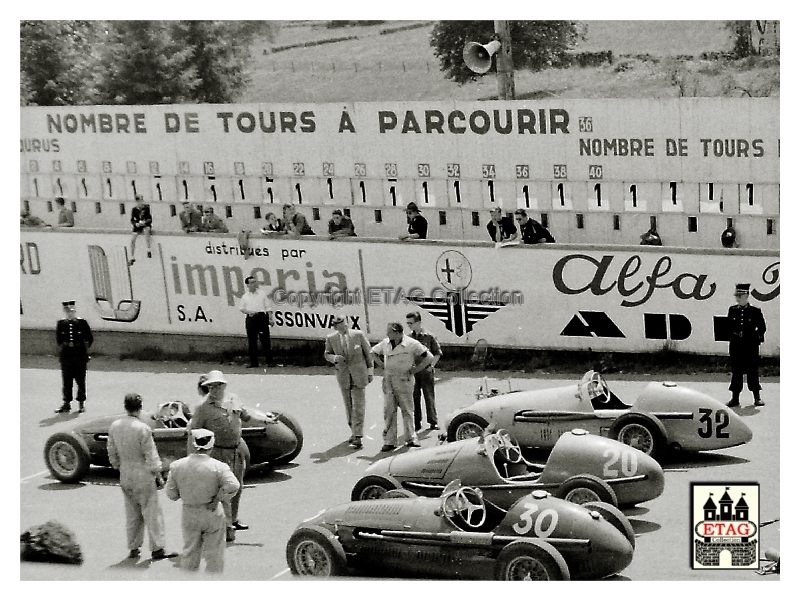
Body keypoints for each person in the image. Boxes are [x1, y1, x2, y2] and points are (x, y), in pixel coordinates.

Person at [107, 393, 177, 561]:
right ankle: (157, 548)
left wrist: (118, 465)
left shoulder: (115, 426)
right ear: (140, 407)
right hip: (143, 474)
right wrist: (158, 475)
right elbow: (151, 455)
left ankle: (133, 547)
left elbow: (111, 451)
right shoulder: (142, 429)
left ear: (125, 406)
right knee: (152, 512)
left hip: (126, 473)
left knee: (132, 513)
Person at [165, 428, 240, 573]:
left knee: (190, 552)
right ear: (211, 446)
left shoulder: (177, 466)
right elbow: (234, 485)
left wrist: (184, 494)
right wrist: (218, 497)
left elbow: (171, 494)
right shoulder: (219, 466)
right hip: (212, 510)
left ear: (194, 444)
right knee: (215, 554)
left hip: (189, 511)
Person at [186, 370, 249, 541]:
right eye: (210, 386)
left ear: (224, 386)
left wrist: (265, 418)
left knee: (237, 486)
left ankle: (233, 519)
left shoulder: (233, 399)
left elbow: (246, 415)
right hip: (217, 452)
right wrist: (192, 458)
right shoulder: (202, 408)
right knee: (223, 489)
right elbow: (193, 432)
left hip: (236, 450)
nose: (214, 389)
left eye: (217, 385)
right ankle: (226, 528)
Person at [370, 322, 434, 451]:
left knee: (407, 410)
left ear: (397, 332)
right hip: (388, 380)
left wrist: (416, 369)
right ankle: (390, 441)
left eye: (389, 331)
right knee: (389, 411)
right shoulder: (385, 343)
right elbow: (373, 352)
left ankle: (411, 438)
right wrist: (382, 365)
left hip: (404, 380)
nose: (387, 334)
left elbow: (429, 357)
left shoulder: (411, 343)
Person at [324, 315, 374, 449]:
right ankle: (353, 431)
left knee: (359, 406)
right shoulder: (331, 338)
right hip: (343, 376)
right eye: (341, 326)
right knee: (349, 406)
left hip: (359, 375)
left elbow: (368, 354)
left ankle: (358, 435)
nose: (344, 328)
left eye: (345, 325)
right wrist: (335, 358)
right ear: (336, 327)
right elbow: (327, 354)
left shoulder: (358, 335)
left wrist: (370, 372)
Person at [727, 283, 767, 407]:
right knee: (736, 371)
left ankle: (757, 397)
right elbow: (728, 326)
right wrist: (734, 333)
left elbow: (762, 327)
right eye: (736, 296)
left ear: (746, 295)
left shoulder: (755, 311)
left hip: (750, 345)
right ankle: (735, 398)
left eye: (740, 295)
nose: (737, 298)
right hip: (736, 345)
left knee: (752, 370)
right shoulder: (732, 310)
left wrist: (754, 337)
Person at [54, 300, 93, 413]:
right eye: (67, 311)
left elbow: (89, 338)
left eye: (71, 310)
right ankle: (66, 403)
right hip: (67, 356)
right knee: (67, 381)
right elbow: (59, 340)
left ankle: (81, 403)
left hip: (79, 355)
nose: (69, 312)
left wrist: (83, 350)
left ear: (75, 310)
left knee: (80, 381)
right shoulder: (61, 323)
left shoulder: (82, 323)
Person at [406, 312, 442, 432]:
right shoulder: (408, 338)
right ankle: (416, 423)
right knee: (414, 397)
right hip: (414, 371)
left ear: (418, 322)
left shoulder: (429, 336)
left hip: (426, 371)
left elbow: (437, 353)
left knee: (429, 396)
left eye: (411, 323)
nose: (409, 325)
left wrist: (431, 366)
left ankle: (433, 422)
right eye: (408, 323)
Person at [239, 276, 274, 368]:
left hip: (261, 317)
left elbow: (268, 307)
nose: (254, 284)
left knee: (265, 340)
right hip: (251, 318)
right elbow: (242, 308)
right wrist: (249, 312)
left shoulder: (262, 294)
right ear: (247, 285)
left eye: (255, 282)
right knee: (252, 341)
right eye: (251, 282)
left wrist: (270, 318)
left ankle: (269, 361)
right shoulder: (245, 296)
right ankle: (254, 363)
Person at [128, 195, 153, 266]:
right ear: (137, 201)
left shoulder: (146, 208)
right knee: (133, 239)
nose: (142, 201)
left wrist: (144, 222)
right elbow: (132, 219)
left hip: (145, 224)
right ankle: (132, 256)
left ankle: (148, 249)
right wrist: (135, 224)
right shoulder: (134, 209)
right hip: (138, 225)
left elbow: (150, 218)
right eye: (140, 200)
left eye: (142, 200)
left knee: (146, 231)